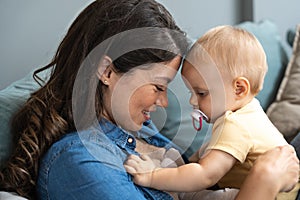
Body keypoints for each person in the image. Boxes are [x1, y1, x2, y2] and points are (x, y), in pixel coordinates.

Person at [0, 1, 298, 200]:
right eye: (158, 86)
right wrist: (264, 181)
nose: (165, 103)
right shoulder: (80, 161)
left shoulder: (137, 132)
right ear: (106, 71)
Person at [124, 25, 299, 198]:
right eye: (191, 93)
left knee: (196, 192)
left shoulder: (235, 124)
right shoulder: (250, 110)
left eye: (201, 93)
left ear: (239, 89)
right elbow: (202, 157)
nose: (193, 101)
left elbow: (206, 175)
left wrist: (152, 176)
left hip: (271, 194)